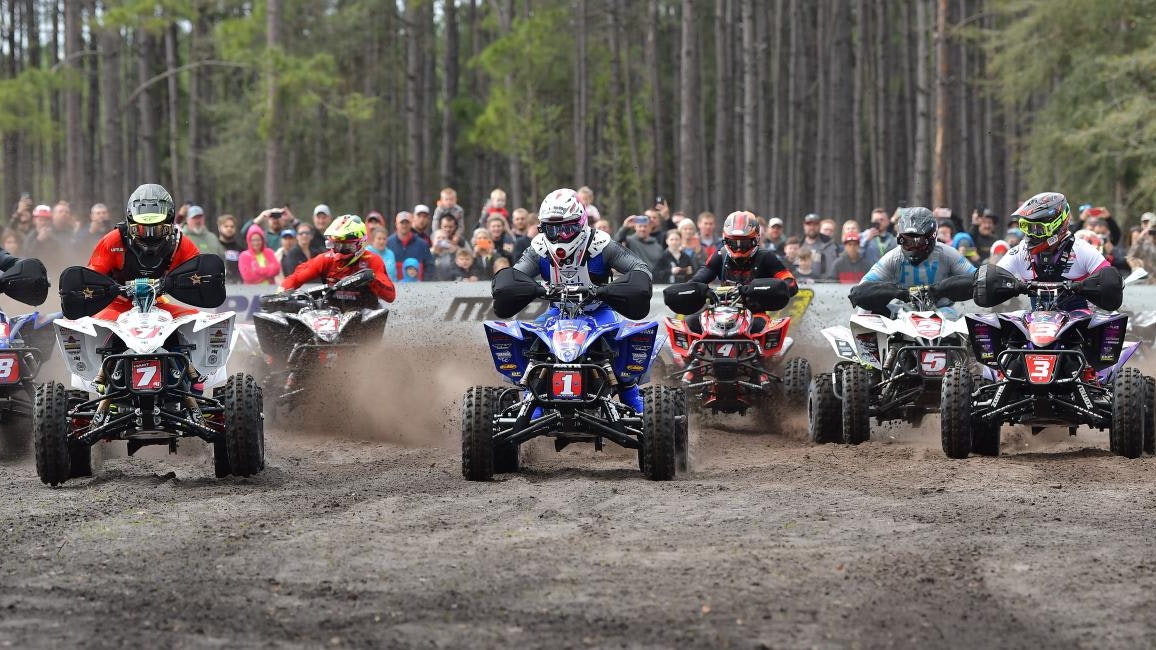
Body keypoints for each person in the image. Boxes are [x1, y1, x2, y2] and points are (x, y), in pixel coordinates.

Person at [504, 188, 652, 412]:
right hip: (557, 313)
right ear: (542, 227)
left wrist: (607, 289)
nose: (560, 235)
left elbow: (641, 269)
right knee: (529, 343)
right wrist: (534, 289)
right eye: (552, 229)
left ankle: (635, 402)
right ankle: (529, 403)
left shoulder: (601, 244)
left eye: (567, 228)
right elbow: (514, 277)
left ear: (581, 222)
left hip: (599, 311)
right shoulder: (539, 247)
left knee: (621, 349)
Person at [85, 184, 202, 320]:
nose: (149, 235)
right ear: (131, 222)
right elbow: (91, 278)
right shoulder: (114, 239)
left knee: (196, 320)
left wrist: (175, 283)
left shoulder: (179, 242)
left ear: (169, 223)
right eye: (142, 227)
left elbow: (198, 275)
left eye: (157, 227)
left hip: (156, 305)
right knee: (95, 322)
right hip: (115, 305)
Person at [995, 193, 1115, 311]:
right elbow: (994, 277)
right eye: (1027, 227)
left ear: (1059, 226)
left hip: (1081, 323)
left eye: (1039, 229)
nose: (1031, 234)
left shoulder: (1082, 249)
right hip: (1037, 323)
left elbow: (1111, 283)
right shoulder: (1020, 251)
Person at [853, 207, 976, 315]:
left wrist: (942, 289)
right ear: (899, 238)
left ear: (931, 238)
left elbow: (978, 279)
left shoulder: (948, 254)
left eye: (918, 242)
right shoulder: (893, 257)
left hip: (942, 311)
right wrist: (898, 293)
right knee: (864, 308)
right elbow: (861, 289)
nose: (912, 247)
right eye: (906, 241)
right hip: (903, 312)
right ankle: (866, 341)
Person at [281, 215, 395, 309]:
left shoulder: (372, 260)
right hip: (332, 312)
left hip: (364, 311)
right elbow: (296, 278)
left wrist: (372, 279)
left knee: (380, 311)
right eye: (335, 244)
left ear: (360, 243)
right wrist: (281, 293)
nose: (339, 250)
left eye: (346, 245)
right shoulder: (326, 259)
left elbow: (390, 296)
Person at [386, 211, 435, 280]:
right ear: (396, 224)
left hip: (418, 287)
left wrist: (425, 284)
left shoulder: (422, 244)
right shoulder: (388, 243)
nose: (404, 225)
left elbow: (430, 266)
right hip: (394, 286)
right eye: (402, 222)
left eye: (407, 222)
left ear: (411, 224)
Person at [801, 213, 837, 278]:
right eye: (809, 224)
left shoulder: (829, 245)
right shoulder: (798, 245)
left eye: (815, 224)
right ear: (804, 226)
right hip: (801, 284)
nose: (812, 227)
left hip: (823, 285)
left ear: (819, 226)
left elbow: (831, 269)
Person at [217, 214, 244, 284]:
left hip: (237, 286)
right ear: (219, 228)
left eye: (232, 226)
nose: (229, 229)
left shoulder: (240, 250)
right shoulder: (214, 247)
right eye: (226, 226)